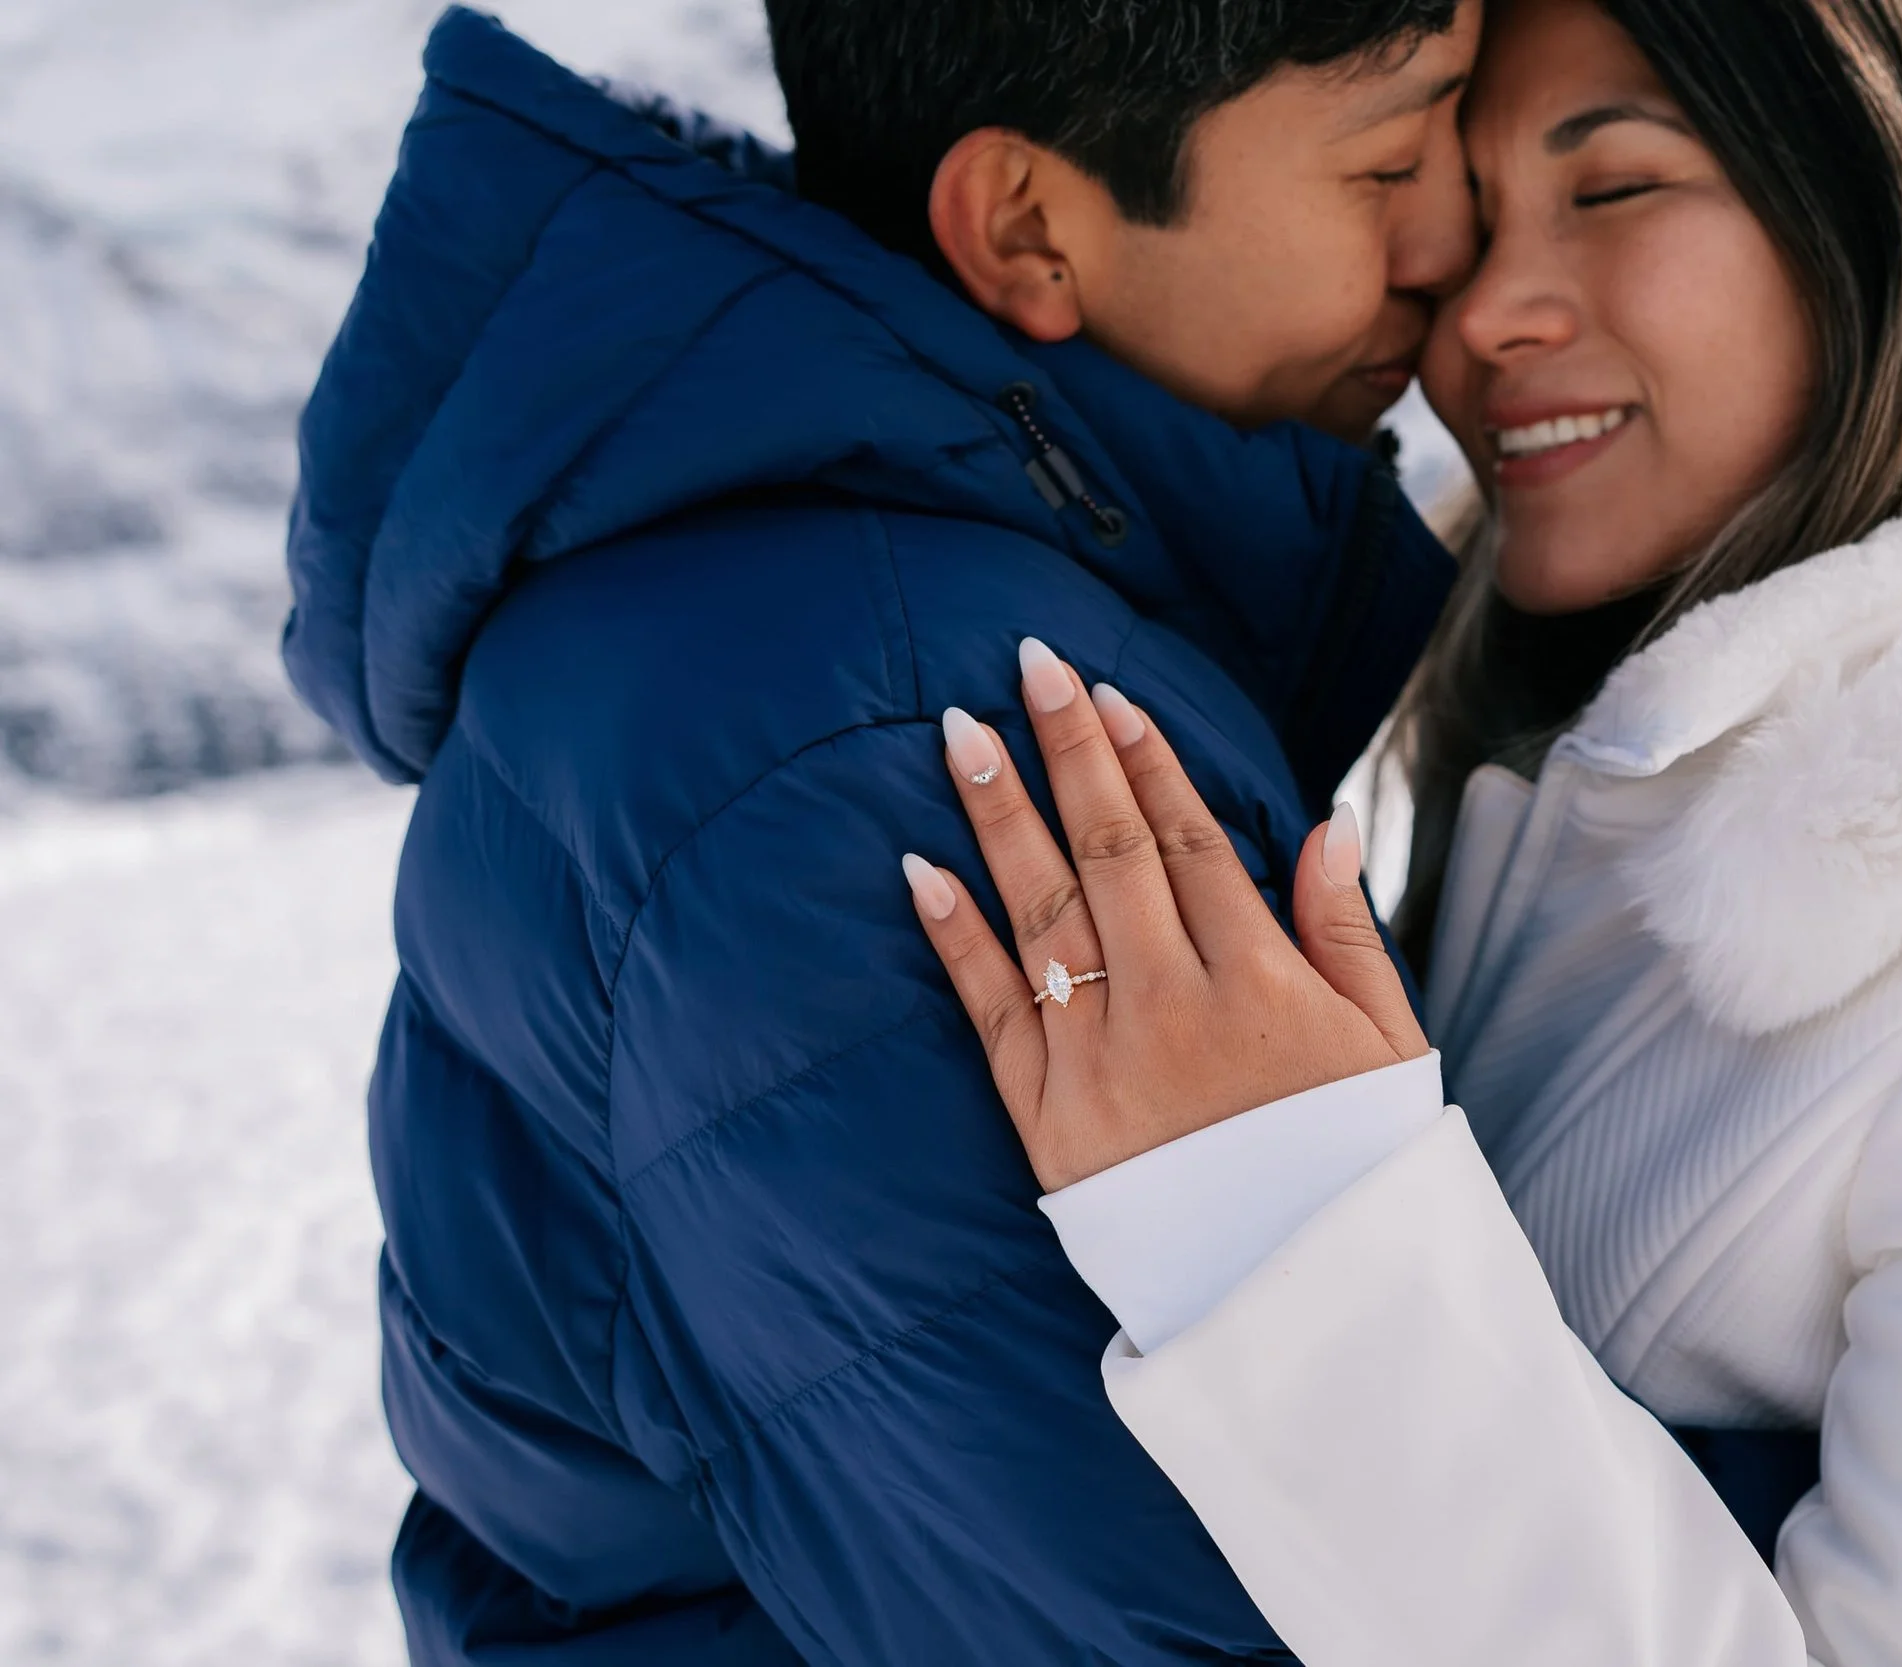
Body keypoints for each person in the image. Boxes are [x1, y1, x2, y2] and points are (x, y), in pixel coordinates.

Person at [902, 0, 1902, 1662]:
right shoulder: (1570, 771)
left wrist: (1288, 1237)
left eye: (1613, 192)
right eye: (1467, 234)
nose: (1482, 325)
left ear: (1892, 198)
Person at [280, 1, 1483, 1660]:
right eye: (1395, 159)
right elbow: (1220, 1616)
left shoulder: (825, 610)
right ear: (1028, 227)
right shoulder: (895, 744)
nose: (1457, 235)